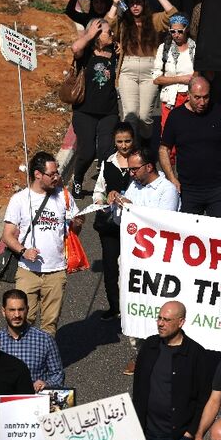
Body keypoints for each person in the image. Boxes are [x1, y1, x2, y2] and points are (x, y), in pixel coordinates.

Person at [131, 301, 210, 440]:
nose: (160, 324)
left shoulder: (195, 354)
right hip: (149, 433)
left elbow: (204, 397)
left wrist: (192, 431)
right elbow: (138, 388)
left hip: (178, 437)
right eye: (159, 318)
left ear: (181, 322)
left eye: (166, 320)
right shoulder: (149, 346)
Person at [2, 152, 83, 335]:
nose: (57, 177)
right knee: (21, 323)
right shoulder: (20, 200)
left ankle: (45, 361)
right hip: (28, 271)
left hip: (56, 272)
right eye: (52, 174)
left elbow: (74, 233)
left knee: (49, 327)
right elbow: (8, 235)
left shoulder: (64, 196)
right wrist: (23, 251)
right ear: (38, 174)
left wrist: (77, 224)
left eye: (57, 173)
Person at [107, 147, 181, 323]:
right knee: (132, 304)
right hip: (132, 256)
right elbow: (120, 222)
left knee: (156, 306)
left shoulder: (167, 190)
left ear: (148, 167)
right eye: (129, 170)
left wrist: (133, 209)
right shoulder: (134, 185)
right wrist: (117, 204)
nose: (131, 174)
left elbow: (163, 225)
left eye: (134, 169)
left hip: (157, 261)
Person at [105, 0, 177, 144]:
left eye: (138, 2)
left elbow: (173, 16)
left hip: (149, 71)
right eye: (131, 3)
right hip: (127, 71)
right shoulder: (123, 22)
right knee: (130, 115)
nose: (135, 6)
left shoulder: (154, 20)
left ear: (144, 4)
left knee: (145, 116)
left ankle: (144, 144)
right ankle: (131, 149)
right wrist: (114, 4)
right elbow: (106, 26)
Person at [158, 76, 221, 218]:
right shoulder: (176, 116)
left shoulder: (219, 112)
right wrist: (172, 178)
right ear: (188, 94)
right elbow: (164, 149)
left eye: (206, 97)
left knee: (218, 235)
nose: (202, 102)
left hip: (219, 187)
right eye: (197, 97)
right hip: (189, 189)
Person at [69, 18, 120, 198]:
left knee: (106, 151)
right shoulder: (86, 53)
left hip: (109, 111)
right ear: (97, 35)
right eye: (109, 32)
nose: (113, 35)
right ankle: (78, 177)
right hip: (84, 111)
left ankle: (105, 187)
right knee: (88, 152)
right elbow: (75, 48)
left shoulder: (115, 51)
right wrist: (89, 35)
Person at [92, 123, 136, 321]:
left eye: (127, 141)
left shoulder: (140, 162)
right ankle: (114, 305)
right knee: (110, 266)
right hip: (110, 224)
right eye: (120, 142)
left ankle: (133, 305)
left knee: (131, 266)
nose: (124, 145)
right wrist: (102, 200)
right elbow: (98, 190)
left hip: (134, 226)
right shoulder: (108, 162)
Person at [0, 289, 65, 391]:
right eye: (12, 310)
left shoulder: (45, 340)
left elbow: (58, 373)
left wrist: (46, 384)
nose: (17, 315)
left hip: (35, 401)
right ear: (3, 311)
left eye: (21, 309)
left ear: (27, 309)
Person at [152, 13, 195, 166]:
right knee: (168, 138)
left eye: (180, 31)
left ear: (186, 30)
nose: (176, 35)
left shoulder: (195, 48)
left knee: (188, 136)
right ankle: (170, 175)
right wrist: (181, 79)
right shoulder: (164, 48)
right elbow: (156, 78)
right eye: (172, 31)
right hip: (169, 99)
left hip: (189, 99)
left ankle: (187, 170)